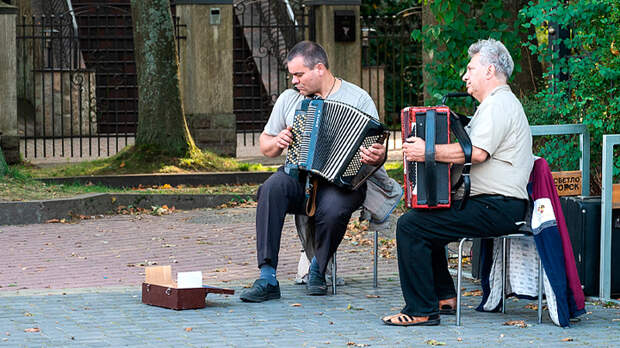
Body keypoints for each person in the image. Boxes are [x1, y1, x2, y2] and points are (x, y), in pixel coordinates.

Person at [381, 38, 534, 326]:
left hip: (499, 206)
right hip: (493, 204)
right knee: (424, 216)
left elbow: (476, 153)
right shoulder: (494, 105)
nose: (465, 75)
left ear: (489, 71)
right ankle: (443, 296)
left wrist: (426, 151)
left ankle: (420, 310)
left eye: (470, 68)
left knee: (411, 226)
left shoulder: (499, 104)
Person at [240, 41, 387, 302]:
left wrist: (378, 155)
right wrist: (277, 142)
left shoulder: (358, 98)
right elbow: (266, 144)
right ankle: (267, 277)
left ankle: (318, 268)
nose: (295, 81)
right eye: (292, 76)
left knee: (333, 207)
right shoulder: (289, 99)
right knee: (271, 189)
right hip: (301, 178)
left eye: (299, 75)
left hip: (344, 181)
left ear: (319, 68)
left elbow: (376, 147)